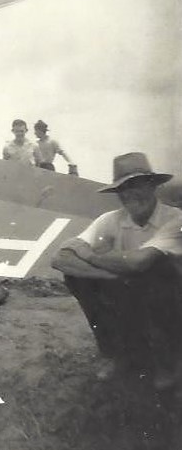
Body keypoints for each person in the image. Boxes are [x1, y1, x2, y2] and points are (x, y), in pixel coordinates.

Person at [52, 152, 182, 389]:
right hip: (133, 293)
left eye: (137, 185)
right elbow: (61, 258)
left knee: (157, 270)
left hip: (174, 304)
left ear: (153, 186)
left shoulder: (175, 219)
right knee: (77, 277)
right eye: (124, 188)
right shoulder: (110, 219)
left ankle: (169, 360)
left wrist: (91, 256)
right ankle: (118, 355)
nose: (130, 194)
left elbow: (139, 262)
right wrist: (114, 276)